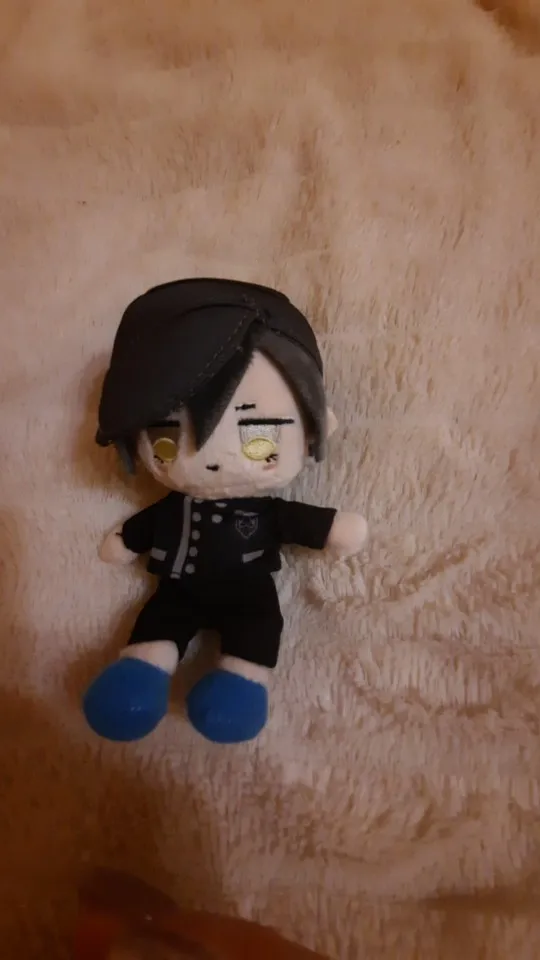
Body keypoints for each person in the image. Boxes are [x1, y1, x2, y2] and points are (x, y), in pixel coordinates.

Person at [82, 278, 367, 744]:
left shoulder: (268, 511)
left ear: (317, 427)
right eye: (166, 440)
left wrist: (334, 528)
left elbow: (298, 522)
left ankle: (240, 683)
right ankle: (140, 675)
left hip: (248, 594)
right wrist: (125, 539)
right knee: (159, 620)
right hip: (179, 589)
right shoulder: (173, 504)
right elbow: (146, 526)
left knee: (257, 629)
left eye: (258, 437)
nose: (211, 459)